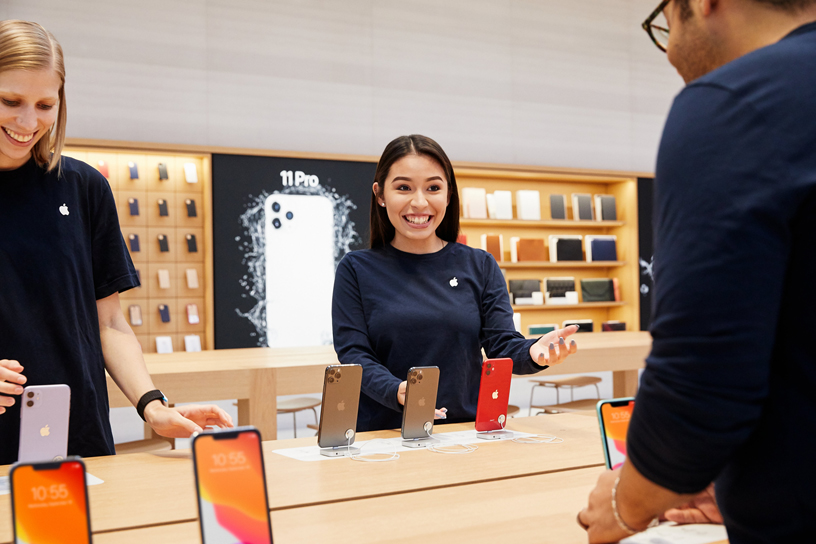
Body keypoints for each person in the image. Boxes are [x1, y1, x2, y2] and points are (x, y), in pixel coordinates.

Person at [578, 0, 816, 542]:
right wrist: (742, 476)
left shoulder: (735, 101)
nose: (667, 52)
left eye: (665, 21)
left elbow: (702, 379)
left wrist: (627, 501)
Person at [0, 20, 233, 465]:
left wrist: (154, 406)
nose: (28, 122)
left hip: (78, 433)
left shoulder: (83, 188)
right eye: (10, 101)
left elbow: (108, 323)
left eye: (45, 104)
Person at [331, 134, 578, 432]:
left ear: (448, 195)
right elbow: (354, 354)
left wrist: (534, 353)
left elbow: (502, 345)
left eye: (433, 188)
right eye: (403, 187)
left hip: (464, 432)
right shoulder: (356, 269)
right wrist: (395, 390)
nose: (419, 202)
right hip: (383, 435)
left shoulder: (480, 265)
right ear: (380, 194)